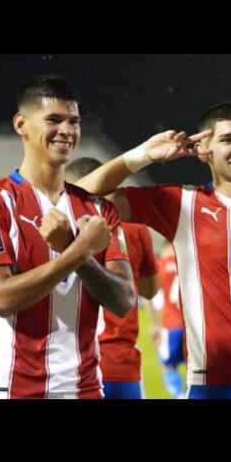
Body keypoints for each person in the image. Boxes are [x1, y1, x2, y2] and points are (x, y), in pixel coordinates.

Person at [76, 101, 231, 399]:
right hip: (214, 386)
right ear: (203, 150)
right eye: (227, 139)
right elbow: (81, 193)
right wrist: (144, 155)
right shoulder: (181, 204)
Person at [0, 75, 135, 399]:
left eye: (74, 121)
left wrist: (72, 250)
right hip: (12, 389)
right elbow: (1, 298)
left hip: (85, 389)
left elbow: (123, 301)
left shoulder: (97, 208)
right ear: (21, 124)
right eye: (53, 120)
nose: (66, 131)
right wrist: (78, 250)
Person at [65, 157, 159, 399]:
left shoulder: (62, 227)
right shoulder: (135, 227)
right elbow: (150, 290)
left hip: (72, 361)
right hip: (120, 361)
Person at [154, 241, 187, 398]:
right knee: (195, 366)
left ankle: (180, 396)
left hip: (171, 324)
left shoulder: (160, 265)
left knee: (168, 366)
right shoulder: (188, 263)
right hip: (191, 326)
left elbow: (155, 299)